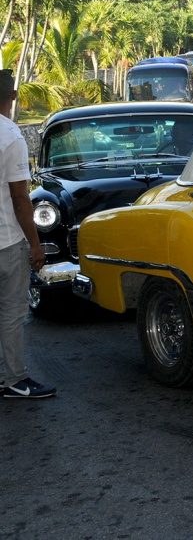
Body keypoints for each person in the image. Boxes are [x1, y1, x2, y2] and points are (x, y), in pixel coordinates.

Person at [0, 69, 56, 399]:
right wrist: (35, 245)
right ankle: (15, 380)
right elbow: (21, 198)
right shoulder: (10, 136)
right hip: (6, 241)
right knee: (11, 313)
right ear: (14, 96)